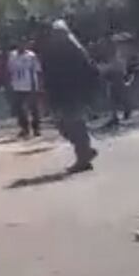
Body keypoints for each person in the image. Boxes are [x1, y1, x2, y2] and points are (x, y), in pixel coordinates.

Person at [37, 20, 100, 173]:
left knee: (75, 124)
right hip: (59, 93)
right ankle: (85, 150)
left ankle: (82, 158)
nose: (55, 35)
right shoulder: (51, 50)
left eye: (59, 32)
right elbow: (47, 72)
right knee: (63, 126)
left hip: (73, 92)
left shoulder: (76, 49)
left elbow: (90, 69)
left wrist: (87, 91)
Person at [8, 40, 42, 138]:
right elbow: (10, 70)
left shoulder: (31, 56)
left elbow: (37, 71)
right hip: (17, 85)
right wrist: (10, 84)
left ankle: (36, 128)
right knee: (20, 110)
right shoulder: (12, 55)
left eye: (23, 44)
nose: (21, 46)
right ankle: (24, 128)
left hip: (30, 85)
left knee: (33, 108)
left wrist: (36, 86)